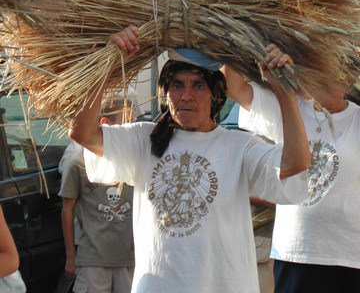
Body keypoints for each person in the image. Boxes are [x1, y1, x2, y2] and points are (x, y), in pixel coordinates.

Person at [69, 25, 311, 293]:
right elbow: (82, 133)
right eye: (177, 85)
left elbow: (295, 164)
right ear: (166, 92)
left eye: (198, 85)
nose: (186, 96)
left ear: (215, 94)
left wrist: (284, 94)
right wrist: (107, 63)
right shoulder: (143, 140)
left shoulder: (238, 146)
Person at [223, 43, 360, 293]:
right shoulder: (287, 107)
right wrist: (250, 39)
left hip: (349, 254)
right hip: (295, 251)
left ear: (350, 77)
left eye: (342, 68)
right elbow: (234, 86)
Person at [59, 94, 135, 293]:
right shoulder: (78, 160)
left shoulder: (137, 157)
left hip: (129, 257)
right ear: (105, 124)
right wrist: (70, 257)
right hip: (92, 257)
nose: (133, 130)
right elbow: (67, 210)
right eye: (127, 124)